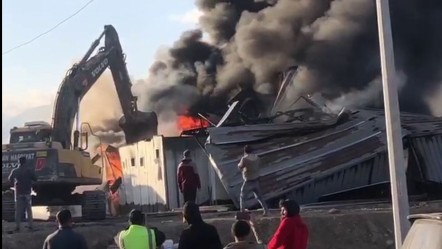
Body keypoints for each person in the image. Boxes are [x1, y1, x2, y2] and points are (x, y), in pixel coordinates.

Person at [8, 156, 37, 231]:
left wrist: (14, 183)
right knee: (29, 210)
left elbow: (10, 179)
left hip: (18, 192)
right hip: (27, 192)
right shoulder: (29, 170)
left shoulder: (15, 171)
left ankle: (17, 226)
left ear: (18, 162)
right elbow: (35, 178)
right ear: (25, 162)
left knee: (18, 210)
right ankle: (30, 226)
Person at [238, 145, 268, 215]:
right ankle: (266, 210)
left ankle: (242, 211)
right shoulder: (257, 158)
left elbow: (240, 166)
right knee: (259, 197)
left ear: (245, 151)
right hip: (256, 179)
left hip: (248, 181)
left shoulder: (244, 159)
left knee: (242, 196)